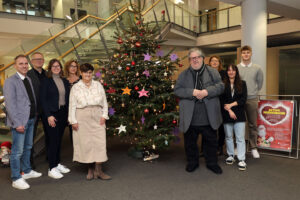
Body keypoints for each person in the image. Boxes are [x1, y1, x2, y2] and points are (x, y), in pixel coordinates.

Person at [174, 48, 224, 174]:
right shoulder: (183, 75)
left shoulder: (213, 72)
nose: (195, 60)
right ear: (189, 60)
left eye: (197, 57)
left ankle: (212, 163)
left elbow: (221, 86)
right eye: (192, 58)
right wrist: (192, 92)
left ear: (203, 58)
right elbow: (177, 90)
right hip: (190, 116)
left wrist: (207, 92)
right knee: (190, 142)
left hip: (209, 115)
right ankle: (192, 162)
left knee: (211, 142)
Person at [4, 55, 42, 190]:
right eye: (21, 64)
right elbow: (10, 105)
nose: (24, 66)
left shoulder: (29, 79)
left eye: (26, 63)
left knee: (28, 147)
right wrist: (17, 123)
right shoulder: (10, 81)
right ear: (15, 66)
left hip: (31, 119)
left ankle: (26, 171)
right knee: (17, 151)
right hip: (20, 122)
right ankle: (16, 177)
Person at [68, 63, 111, 180]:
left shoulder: (98, 85)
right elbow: (72, 105)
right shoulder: (76, 87)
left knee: (99, 143)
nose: (88, 74)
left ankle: (99, 170)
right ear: (81, 73)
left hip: (97, 116)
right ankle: (90, 169)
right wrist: (73, 120)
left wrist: (104, 115)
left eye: (90, 72)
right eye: (85, 72)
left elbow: (105, 102)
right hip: (82, 117)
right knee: (86, 144)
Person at [40, 58, 70, 179]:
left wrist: (68, 114)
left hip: (62, 113)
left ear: (61, 68)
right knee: (53, 140)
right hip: (52, 114)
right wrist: (48, 115)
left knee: (58, 140)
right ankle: (51, 168)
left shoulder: (64, 80)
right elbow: (43, 100)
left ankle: (57, 164)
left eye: (58, 66)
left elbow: (67, 98)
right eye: (54, 66)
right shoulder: (46, 81)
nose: (56, 68)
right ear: (50, 69)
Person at [237, 45, 264, 158]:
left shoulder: (257, 68)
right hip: (239, 100)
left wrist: (252, 92)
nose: (246, 54)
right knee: (239, 124)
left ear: (251, 54)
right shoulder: (237, 68)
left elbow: (260, 83)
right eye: (244, 53)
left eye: (248, 52)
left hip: (252, 99)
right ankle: (239, 147)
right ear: (241, 54)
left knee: (253, 124)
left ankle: (253, 147)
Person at [220, 65, 247, 170]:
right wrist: (229, 110)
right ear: (227, 72)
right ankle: (230, 155)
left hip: (239, 114)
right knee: (228, 137)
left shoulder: (242, 83)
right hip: (227, 113)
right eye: (229, 70)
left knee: (240, 138)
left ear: (236, 72)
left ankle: (241, 159)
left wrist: (231, 105)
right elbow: (221, 100)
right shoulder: (223, 85)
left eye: (233, 70)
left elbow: (243, 99)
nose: (231, 72)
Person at [27, 52, 47, 168]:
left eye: (41, 59)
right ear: (32, 61)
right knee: (31, 137)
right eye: (36, 59)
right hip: (33, 110)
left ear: (43, 61)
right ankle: (29, 162)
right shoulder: (28, 74)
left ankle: (50, 157)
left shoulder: (47, 74)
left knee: (49, 134)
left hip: (47, 110)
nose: (39, 61)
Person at [209, 55, 226, 155]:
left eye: (217, 61)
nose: (215, 62)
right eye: (212, 61)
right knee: (209, 126)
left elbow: (223, 87)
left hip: (221, 102)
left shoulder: (223, 73)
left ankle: (220, 146)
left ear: (219, 63)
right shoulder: (206, 73)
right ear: (209, 62)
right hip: (209, 102)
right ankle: (209, 147)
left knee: (221, 126)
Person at [64, 59, 80, 143]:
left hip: (80, 109)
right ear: (67, 68)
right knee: (73, 134)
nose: (73, 68)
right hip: (69, 110)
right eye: (71, 66)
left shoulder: (81, 80)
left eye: (75, 66)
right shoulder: (63, 81)